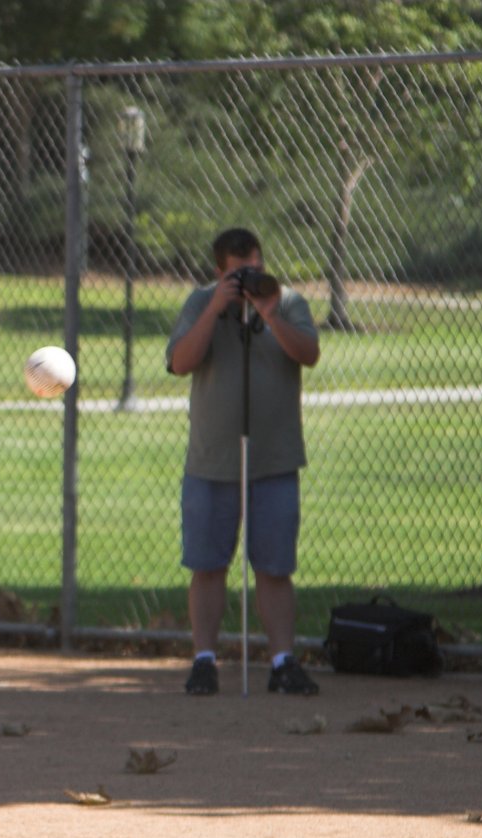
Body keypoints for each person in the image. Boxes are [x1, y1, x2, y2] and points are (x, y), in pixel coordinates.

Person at [165, 227, 321, 697]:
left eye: (254, 268)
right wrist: (217, 308)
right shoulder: (201, 303)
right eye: (237, 273)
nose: (248, 279)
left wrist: (269, 314)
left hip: (273, 459)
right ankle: (204, 660)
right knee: (207, 564)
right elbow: (179, 362)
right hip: (213, 461)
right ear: (219, 271)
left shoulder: (287, 302)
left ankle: (282, 661)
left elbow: (308, 354)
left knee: (275, 566)